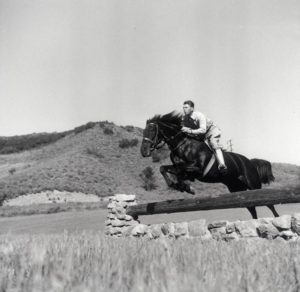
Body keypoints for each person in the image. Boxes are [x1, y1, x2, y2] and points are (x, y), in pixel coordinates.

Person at [181, 100, 227, 173]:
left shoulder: (199, 115)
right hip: (201, 134)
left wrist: (189, 131)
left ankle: (222, 165)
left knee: (213, 143)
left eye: (186, 107)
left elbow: (203, 130)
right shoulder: (184, 118)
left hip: (212, 131)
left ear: (192, 108)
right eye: (183, 107)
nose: (184, 109)